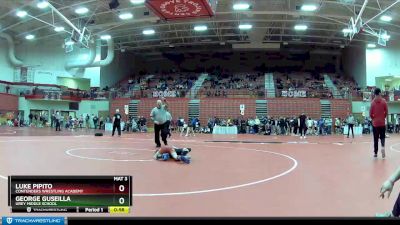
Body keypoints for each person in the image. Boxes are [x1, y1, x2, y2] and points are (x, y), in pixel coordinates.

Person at [370, 88, 388, 158]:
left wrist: (373, 119)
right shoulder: (384, 101)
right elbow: (386, 111)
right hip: (382, 123)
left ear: (374, 94)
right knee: (382, 137)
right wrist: (384, 117)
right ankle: (383, 147)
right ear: (380, 93)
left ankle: (375, 153)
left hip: (375, 123)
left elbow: (370, 114)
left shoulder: (372, 103)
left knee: (375, 139)